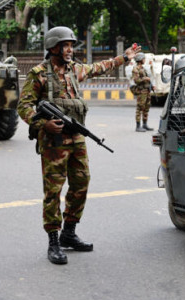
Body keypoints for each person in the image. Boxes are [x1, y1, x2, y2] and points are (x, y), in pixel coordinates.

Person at [17, 26, 140, 265]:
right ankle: (53, 241)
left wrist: (124, 57)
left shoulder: (75, 70)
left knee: (81, 182)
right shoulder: (39, 74)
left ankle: (69, 234)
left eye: (72, 45)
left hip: (76, 139)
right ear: (54, 47)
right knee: (53, 191)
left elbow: (98, 68)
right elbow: (23, 106)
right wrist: (43, 124)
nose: (71, 49)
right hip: (54, 142)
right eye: (66, 45)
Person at [132, 53, 152, 132]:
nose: (144, 60)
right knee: (139, 108)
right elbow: (136, 80)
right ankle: (138, 126)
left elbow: (147, 79)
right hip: (141, 92)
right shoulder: (135, 69)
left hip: (147, 91)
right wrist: (145, 79)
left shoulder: (143, 68)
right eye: (143, 58)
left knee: (146, 108)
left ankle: (145, 124)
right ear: (140, 59)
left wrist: (151, 85)